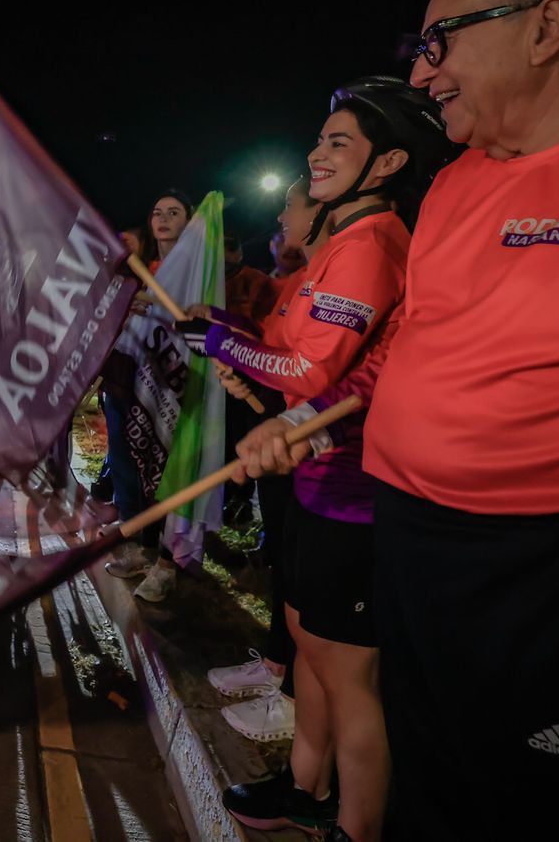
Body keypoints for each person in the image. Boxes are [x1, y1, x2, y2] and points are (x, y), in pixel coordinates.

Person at [237, 0, 559, 839]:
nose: (423, 75)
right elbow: (405, 352)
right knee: (433, 790)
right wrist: (308, 419)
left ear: (547, 25)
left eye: (440, 41)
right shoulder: (461, 181)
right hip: (417, 552)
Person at [194, 78, 452, 841]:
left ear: (388, 162)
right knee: (308, 645)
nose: (316, 153)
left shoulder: (372, 245)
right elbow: (289, 353)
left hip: (356, 491)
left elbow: (312, 373)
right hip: (316, 483)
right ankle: (306, 787)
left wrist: (227, 341)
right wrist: (236, 344)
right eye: (320, 138)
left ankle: (357, 826)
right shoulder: (341, 240)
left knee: (349, 677)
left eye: (339, 141)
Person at [207, 176, 326, 746]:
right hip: (288, 435)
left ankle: (298, 697)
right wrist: (240, 358)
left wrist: (227, 344)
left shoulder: (352, 267)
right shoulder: (303, 280)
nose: (279, 218)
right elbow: (274, 348)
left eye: (289, 205)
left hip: (319, 452)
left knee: (307, 579)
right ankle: (279, 664)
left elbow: (309, 368)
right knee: (282, 557)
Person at [103, 189, 192, 603]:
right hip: (129, 384)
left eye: (174, 212)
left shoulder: (194, 272)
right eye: (158, 212)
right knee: (130, 468)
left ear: (190, 223)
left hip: (169, 391)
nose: (164, 219)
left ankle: (168, 563)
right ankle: (140, 546)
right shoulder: (148, 270)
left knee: (166, 476)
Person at [223, 234, 277, 322]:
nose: (224, 251)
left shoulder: (257, 280)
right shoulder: (205, 280)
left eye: (231, 247)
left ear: (240, 253)